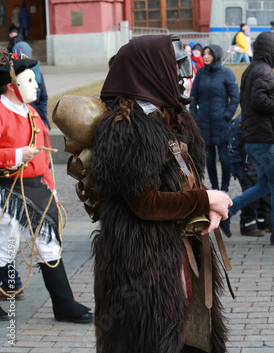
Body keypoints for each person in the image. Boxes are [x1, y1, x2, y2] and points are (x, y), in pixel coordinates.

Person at [89, 34, 233, 353]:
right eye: (176, 66)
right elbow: (145, 203)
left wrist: (202, 208)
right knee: (152, 339)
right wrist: (206, 199)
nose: (183, 75)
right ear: (150, 70)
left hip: (176, 250)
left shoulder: (171, 115)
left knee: (188, 334)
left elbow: (186, 179)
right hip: (144, 264)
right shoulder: (126, 127)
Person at [0, 53, 93, 323]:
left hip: (36, 188)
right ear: (11, 86)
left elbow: (44, 157)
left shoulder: (31, 112)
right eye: (29, 80)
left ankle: (64, 305)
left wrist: (51, 187)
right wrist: (16, 155)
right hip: (7, 190)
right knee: (6, 245)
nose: (37, 85)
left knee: (49, 244)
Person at [221, 31, 274, 246]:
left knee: (265, 184)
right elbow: (260, 102)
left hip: (255, 136)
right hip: (263, 138)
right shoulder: (264, 71)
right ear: (270, 50)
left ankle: (228, 211)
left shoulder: (254, 69)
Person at [190, 44, 239, 192]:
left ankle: (224, 187)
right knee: (209, 159)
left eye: (209, 54)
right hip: (203, 122)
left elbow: (235, 97)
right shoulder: (200, 73)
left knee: (224, 157)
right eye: (204, 54)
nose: (205, 56)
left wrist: (227, 115)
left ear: (216, 55)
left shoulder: (226, 73)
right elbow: (193, 97)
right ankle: (214, 187)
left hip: (222, 123)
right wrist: (194, 116)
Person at [13, 41, 51, 130]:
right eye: (18, 57)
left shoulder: (38, 74)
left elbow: (43, 97)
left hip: (36, 117)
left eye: (25, 57)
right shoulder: (10, 75)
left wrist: (41, 113)